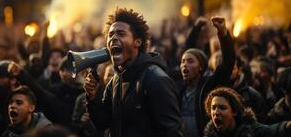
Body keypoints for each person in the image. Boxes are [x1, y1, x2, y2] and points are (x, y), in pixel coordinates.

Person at [84, 8, 183, 137]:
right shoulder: (115, 81)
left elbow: (172, 132)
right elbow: (102, 122)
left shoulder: (156, 79)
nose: (113, 38)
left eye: (121, 34)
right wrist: (92, 98)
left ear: (137, 42)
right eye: (111, 34)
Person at [178, 16, 235, 137]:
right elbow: (189, 48)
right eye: (182, 62)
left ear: (200, 67)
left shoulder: (209, 85)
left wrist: (223, 33)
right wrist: (196, 28)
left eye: (190, 61)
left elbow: (228, 62)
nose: (184, 65)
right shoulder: (178, 89)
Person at [204, 87, 291, 137]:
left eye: (222, 108)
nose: (216, 112)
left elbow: (270, 130)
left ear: (234, 111)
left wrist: (287, 126)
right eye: (213, 108)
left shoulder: (251, 129)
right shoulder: (210, 134)